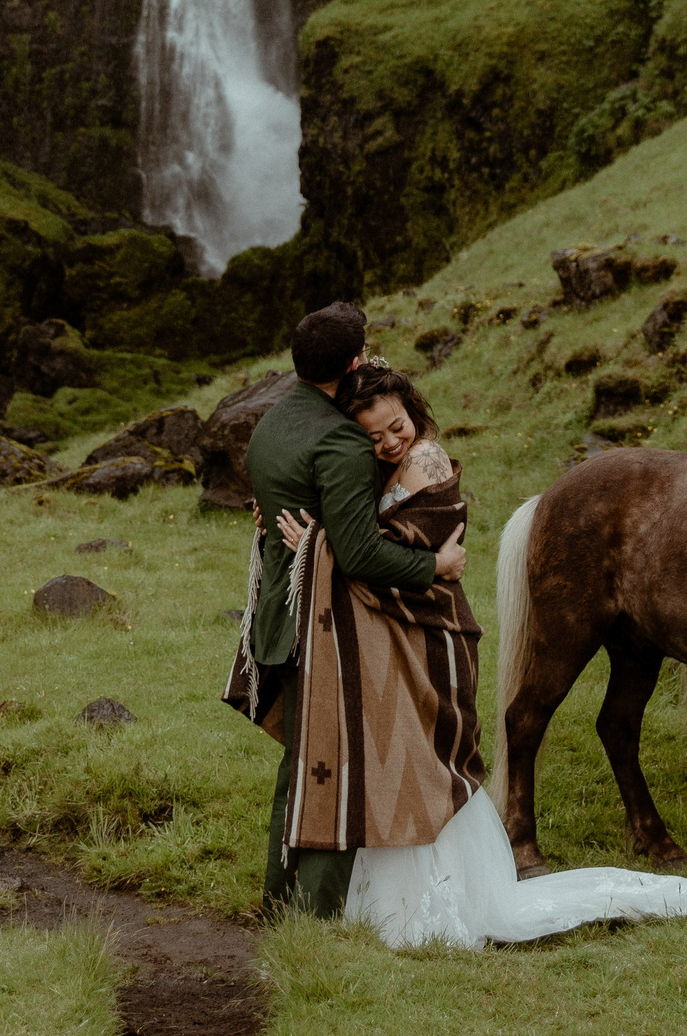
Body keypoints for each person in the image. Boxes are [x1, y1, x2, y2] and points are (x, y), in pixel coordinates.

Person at [263, 361, 687, 949]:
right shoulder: (378, 468)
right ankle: (391, 888)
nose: (392, 442)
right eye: (375, 436)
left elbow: (377, 555)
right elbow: (358, 532)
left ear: (413, 412)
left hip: (426, 633)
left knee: (423, 750)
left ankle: (441, 888)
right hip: (387, 637)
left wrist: (323, 546)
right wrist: (316, 524)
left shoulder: (426, 462)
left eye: (397, 426)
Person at [225, 302, 467, 920]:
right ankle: (315, 914)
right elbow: (359, 554)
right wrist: (434, 567)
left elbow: (283, 501)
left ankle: (280, 902)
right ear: (355, 362)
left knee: (300, 766)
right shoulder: (341, 439)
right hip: (325, 622)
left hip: (279, 615)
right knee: (337, 765)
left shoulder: (271, 422)